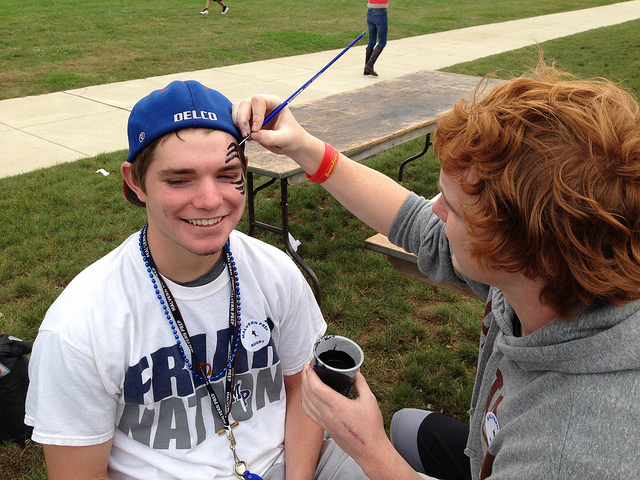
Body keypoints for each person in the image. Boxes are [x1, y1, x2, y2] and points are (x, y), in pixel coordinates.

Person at [232, 60, 640, 480]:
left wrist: (371, 451)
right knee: (407, 426)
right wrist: (303, 145)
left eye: (455, 210)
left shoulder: (573, 449)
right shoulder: (553, 275)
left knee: (392, 443)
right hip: (488, 448)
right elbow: (414, 223)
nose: (434, 209)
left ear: (519, 250)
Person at [24, 80, 370, 480]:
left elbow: (302, 391)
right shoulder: (80, 325)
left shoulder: (274, 271)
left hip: (295, 464)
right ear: (135, 182)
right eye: (179, 179)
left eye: (227, 174)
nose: (210, 200)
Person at [364, 0, 388, 76]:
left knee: (372, 40)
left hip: (370, 11)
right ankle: (369, 65)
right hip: (380, 12)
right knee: (382, 42)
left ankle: (367, 68)